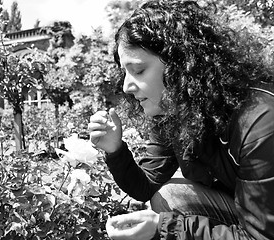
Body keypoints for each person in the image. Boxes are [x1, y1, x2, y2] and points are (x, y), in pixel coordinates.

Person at [87, 0, 274, 239]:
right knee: (171, 196)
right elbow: (147, 186)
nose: (126, 86)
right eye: (125, 72)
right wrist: (115, 150)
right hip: (246, 213)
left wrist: (165, 228)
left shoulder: (260, 120)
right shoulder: (175, 111)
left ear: (181, 66)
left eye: (139, 70)